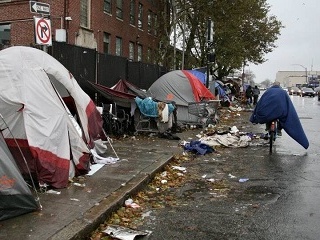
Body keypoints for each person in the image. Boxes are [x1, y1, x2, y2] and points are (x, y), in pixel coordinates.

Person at [250, 81, 309, 149]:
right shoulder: (283, 92)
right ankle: (279, 130)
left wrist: (255, 115)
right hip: (279, 111)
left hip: (269, 111)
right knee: (282, 118)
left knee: (268, 118)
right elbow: (288, 104)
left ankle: (268, 127)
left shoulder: (268, 91)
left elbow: (261, 102)